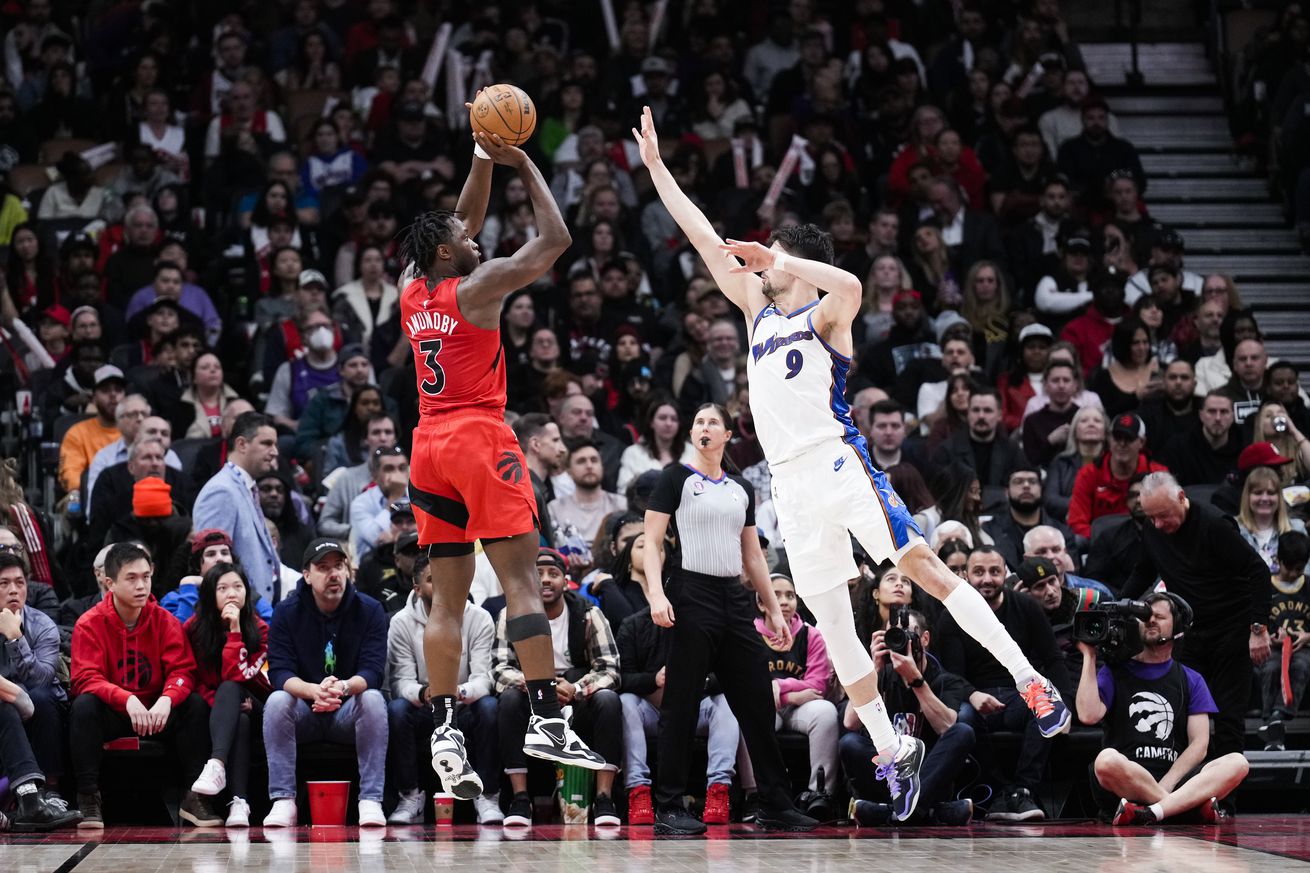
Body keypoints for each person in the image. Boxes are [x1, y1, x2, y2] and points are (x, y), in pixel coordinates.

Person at [638, 104, 1070, 822]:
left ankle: (1030, 679)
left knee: (924, 566)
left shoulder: (823, 311)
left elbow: (851, 285)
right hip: (791, 490)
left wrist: (778, 258)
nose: (755, 266)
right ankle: (889, 748)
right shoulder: (759, 312)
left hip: (840, 464)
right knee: (835, 624)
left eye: (773, 260)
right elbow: (705, 240)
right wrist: (657, 169)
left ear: (792, 260)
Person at [397, 129, 605, 807]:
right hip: (481, 438)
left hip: (427, 446)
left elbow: (465, 220)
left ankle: (445, 728)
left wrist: (482, 157)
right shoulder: (479, 288)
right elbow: (556, 238)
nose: (477, 236)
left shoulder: (412, 287)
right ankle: (547, 718)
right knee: (520, 581)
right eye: (465, 236)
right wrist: (522, 161)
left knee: (446, 598)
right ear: (448, 252)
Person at [640, 403, 817, 834]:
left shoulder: (741, 488)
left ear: (726, 436)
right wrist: (657, 594)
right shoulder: (675, 477)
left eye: (712, 422)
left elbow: (753, 554)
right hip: (689, 591)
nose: (704, 428)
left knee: (756, 701)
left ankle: (775, 800)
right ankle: (669, 805)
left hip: (734, 601)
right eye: (698, 422)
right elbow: (651, 542)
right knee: (681, 701)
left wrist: (773, 609)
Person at [1122, 472, 1273, 760]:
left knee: (1228, 716)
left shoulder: (1214, 525)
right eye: (1150, 517)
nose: (1157, 524)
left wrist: (1258, 628)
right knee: (1182, 714)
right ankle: (1183, 794)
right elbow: (1143, 571)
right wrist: (1120, 605)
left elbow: (1259, 571)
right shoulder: (1153, 529)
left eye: (1163, 515)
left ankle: (1226, 802)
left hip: (1232, 629)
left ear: (1181, 498)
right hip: (1190, 632)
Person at [69, 542, 219, 828]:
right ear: (109, 583)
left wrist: (167, 699)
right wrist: (125, 699)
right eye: (132, 578)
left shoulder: (165, 620)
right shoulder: (89, 624)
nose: (142, 585)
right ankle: (88, 797)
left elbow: (183, 671)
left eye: (146, 576)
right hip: (116, 711)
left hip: (157, 709)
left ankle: (195, 797)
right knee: (83, 706)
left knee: (195, 705)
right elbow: (85, 678)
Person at [1075, 593, 1249, 824]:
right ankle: (1180, 809)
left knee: (1238, 762)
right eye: (1144, 616)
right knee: (1105, 761)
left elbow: (1200, 745)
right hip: (1127, 779)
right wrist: (1089, 656)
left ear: (1177, 627)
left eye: (1159, 616)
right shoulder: (1114, 671)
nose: (1150, 620)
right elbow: (1088, 715)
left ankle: (1152, 810)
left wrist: (1167, 783)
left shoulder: (1191, 679)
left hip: (1176, 778)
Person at [936, 547, 1072, 821]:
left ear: (1005, 575)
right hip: (976, 697)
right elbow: (948, 675)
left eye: (995, 572)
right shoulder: (951, 615)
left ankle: (1022, 789)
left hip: (1018, 694)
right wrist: (972, 694)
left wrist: (1063, 701)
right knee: (963, 716)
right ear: (964, 575)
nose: (987, 579)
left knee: (1045, 705)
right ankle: (996, 790)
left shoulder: (1026, 607)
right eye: (979, 572)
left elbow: (1053, 659)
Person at [261, 539, 390, 828]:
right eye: (323, 568)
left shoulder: (370, 609)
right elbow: (279, 672)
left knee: (373, 699)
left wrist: (342, 687)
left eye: (339, 566)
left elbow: (372, 671)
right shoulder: (286, 611)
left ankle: (370, 800)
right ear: (306, 575)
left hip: (346, 712)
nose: (334, 574)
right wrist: (314, 690)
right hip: (305, 712)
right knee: (277, 700)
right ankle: (283, 800)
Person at [492, 548, 623, 827]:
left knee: (610, 701)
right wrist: (538, 686)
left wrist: (576, 688)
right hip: (531, 694)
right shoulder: (510, 614)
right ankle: (520, 799)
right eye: (537, 574)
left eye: (553, 574)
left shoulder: (589, 614)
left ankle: (603, 799)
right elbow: (500, 671)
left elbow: (610, 668)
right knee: (507, 701)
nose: (546, 580)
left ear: (566, 581)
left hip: (576, 693)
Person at [386, 554, 502, 825]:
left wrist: (453, 692)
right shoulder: (401, 622)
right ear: (416, 588)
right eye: (431, 580)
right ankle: (410, 797)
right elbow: (400, 681)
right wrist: (424, 694)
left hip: (464, 706)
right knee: (397, 709)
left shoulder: (480, 618)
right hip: (425, 708)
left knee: (490, 706)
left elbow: (484, 678)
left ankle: (487, 797)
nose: (440, 585)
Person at [842, 607, 976, 826]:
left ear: (924, 638)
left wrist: (915, 680)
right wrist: (872, 670)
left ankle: (893, 812)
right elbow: (850, 722)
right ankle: (926, 812)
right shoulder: (880, 675)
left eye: (906, 635)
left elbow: (946, 726)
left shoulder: (945, 680)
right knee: (850, 743)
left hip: (928, 769)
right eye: (893, 636)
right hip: (890, 772)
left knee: (963, 732)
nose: (900, 641)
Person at [616, 600, 740, 828]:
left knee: (725, 702)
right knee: (625, 702)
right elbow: (622, 678)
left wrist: (695, 679)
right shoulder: (633, 624)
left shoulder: (704, 623)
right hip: (651, 710)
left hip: (695, 707)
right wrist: (654, 679)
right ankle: (638, 790)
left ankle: (718, 789)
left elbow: (727, 674)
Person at [744, 572, 840, 822]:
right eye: (776, 595)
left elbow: (817, 685)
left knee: (826, 711)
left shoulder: (811, 635)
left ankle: (819, 793)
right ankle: (755, 795)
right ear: (761, 602)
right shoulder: (749, 633)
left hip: (800, 706)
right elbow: (747, 682)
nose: (784, 601)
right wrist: (793, 691)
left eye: (790, 595)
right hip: (767, 705)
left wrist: (779, 688)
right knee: (748, 714)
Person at [183, 563, 271, 829]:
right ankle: (238, 802)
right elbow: (192, 677)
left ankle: (216, 765)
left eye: (238, 586)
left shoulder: (260, 629)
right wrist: (221, 706)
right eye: (223, 588)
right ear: (211, 594)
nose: (231, 594)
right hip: (215, 708)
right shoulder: (194, 628)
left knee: (233, 693)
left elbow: (240, 676)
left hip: (254, 704)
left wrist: (235, 632)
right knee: (236, 716)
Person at [0, 550, 80, 831]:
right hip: (6, 709)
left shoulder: (41, 625)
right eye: (4, 583)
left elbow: (41, 680)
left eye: (19, 582)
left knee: (43, 697)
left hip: (37, 708)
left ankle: (51, 791)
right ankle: (28, 800)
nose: (13, 590)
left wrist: (15, 637)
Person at [192, 412, 282, 605]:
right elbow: (214, 569)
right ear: (241, 444)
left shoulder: (245, 487)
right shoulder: (221, 492)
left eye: (275, 444)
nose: (275, 452)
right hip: (239, 615)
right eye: (266, 443)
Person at [1258, 532, 1310, 751]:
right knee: (1271, 667)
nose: (1293, 574)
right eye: (1289, 568)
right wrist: (1265, 634)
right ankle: (1271, 718)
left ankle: (1278, 717)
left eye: (1299, 569)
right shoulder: (1265, 587)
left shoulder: (1308, 586)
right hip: (1274, 647)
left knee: (1300, 666)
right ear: (1277, 560)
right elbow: (1255, 619)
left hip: (1302, 647)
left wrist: (1308, 636)